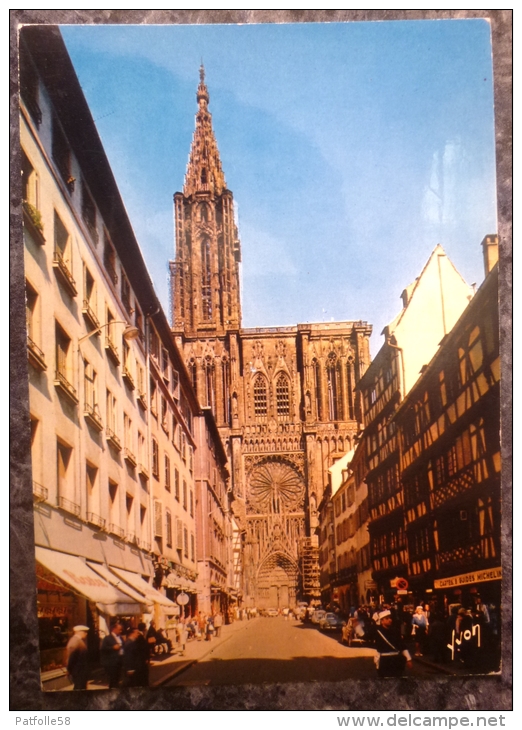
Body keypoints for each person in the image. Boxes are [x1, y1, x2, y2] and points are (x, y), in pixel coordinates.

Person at [373, 610, 412, 677]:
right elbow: (364, 635)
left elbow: (402, 645)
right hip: (384, 661)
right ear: (382, 621)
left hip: (396, 660)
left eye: (390, 618)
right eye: (387, 618)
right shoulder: (377, 631)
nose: (390, 620)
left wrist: (408, 659)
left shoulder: (395, 631)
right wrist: (356, 626)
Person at [100, 621, 124, 688]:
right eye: (120, 629)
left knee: (118, 678)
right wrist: (112, 648)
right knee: (112, 679)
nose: (121, 631)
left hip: (119, 661)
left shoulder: (120, 637)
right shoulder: (107, 638)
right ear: (114, 629)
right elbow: (103, 649)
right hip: (112, 662)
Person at [66, 625, 90, 690]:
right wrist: (69, 670)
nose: (86, 634)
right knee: (79, 689)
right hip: (78, 671)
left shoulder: (78, 640)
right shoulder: (75, 641)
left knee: (81, 688)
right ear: (79, 632)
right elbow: (70, 658)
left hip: (81, 671)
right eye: (85, 632)